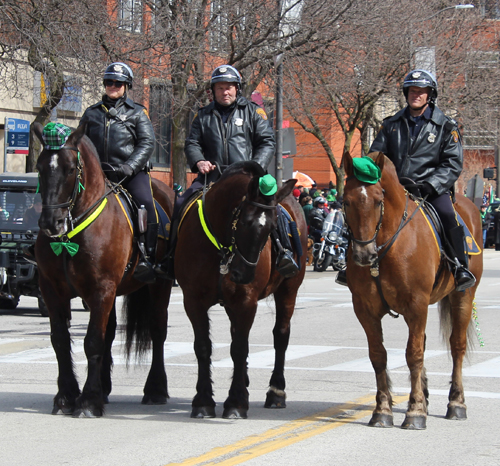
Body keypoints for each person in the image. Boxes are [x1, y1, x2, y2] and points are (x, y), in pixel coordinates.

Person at [337, 69, 475, 291]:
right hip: (395, 189)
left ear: (430, 94)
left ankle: (459, 266)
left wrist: (433, 184)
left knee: (448, 214)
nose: (416, 95)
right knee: (360, 210)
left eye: (421, 91)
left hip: (430, 189)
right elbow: (376, 157)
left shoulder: (447, 126)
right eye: (412, 91)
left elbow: (452, 163)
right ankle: (349, 265)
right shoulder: (390, 124)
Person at [155, 64, 276, 279]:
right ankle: (170, 258)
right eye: (219, 88)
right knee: (181, 205)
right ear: (213, 91)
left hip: (247, 179)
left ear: (237, 88)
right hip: (212, 178)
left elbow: (266, 142)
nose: (224, 92)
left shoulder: (254, 112)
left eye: (229, 87)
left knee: (275, 208)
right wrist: (199, 161)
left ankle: (283, 253)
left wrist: (255, 167)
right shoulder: (202, 115)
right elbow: (192, 143)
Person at [79, 62, 157, 283]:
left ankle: (146, 256)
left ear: (127, 86)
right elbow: (79, 142)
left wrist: (130, 166)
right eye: (109, 82)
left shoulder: (138, 112)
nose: (113, 86)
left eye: (118, 83)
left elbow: (147, 143)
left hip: (129, 173)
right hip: (98, 175)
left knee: (146, 204)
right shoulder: (91, 113)